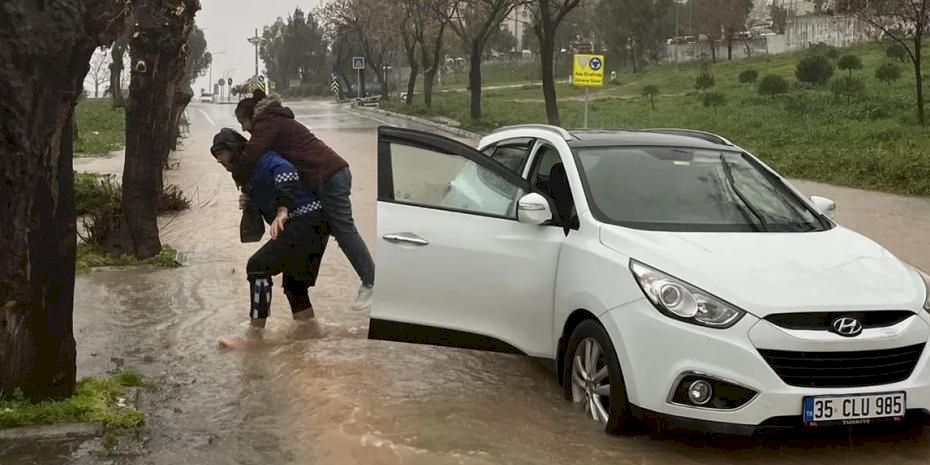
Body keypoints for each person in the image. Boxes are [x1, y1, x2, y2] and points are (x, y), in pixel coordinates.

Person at [233, 89, 374, 311]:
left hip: (330, 176)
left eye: (242, 122)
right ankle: (369, 281)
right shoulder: (276, 119)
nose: (243, 128)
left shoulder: (267, 123)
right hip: (331, 175)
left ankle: (371, 281)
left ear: (253, 117)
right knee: (337, 229)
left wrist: (238, 175)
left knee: (344, 229)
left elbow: (251, 155)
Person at [211, 128, 327, 349]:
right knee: (294, 285)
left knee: (257, 266)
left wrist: (283, 209)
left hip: (307, 221)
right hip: (313, 224)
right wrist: (250, 204)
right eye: (215, 154)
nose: (219, 160)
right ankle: (310, 334)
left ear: (236, 150)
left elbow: (287, 171)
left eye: (220, 153)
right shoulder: (248, 176)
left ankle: (254, 337)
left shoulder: (265, 161)